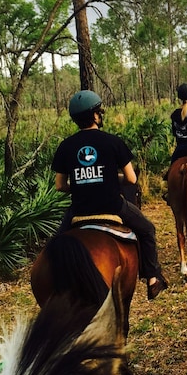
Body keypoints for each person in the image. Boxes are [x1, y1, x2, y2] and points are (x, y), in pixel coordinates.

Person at [52, 89, 168, 300]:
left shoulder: (65, 147)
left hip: (79, 210)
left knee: (56, 246)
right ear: (95, 115)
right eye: (99, 112)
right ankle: (152, 277)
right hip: (113, 206)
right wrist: (109, 179)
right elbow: (132, 179)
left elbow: (60, 185)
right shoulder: (113, 142)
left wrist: (83, 184)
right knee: (147, 230)